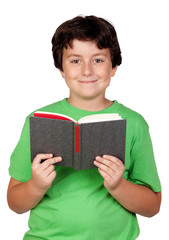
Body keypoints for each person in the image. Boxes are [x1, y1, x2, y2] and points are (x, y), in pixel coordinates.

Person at [7, 15, 161, 240]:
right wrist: (36, 185)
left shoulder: (134, 123)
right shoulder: (37, 119)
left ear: (114, 67)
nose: (87, 70)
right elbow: (15, 203)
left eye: (98, 60)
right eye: (75, 60)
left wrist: (118, 185)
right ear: (61, 68)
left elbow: (152, 206)